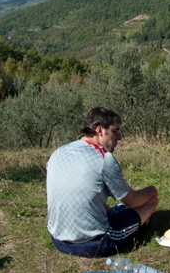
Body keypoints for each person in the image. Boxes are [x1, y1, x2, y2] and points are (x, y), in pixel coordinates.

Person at [46, 107, 159, 258]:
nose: (119, 137)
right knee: (151, 201)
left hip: (58, 238)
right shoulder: (104, 159)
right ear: (99, 130)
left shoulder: (58, 152)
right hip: (94, 243)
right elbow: (133, 201)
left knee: (116, 207)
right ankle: (141, 223)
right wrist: (152, 191)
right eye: (115, 131)